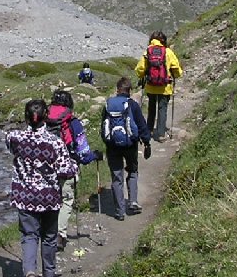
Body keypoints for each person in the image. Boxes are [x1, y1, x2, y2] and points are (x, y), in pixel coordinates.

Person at [5, 98, 78, 277]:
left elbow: (8, 142)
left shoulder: (14, 138)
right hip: (49, 197)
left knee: (29, 235)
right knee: (49, 236)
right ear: (46, 116)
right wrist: (75, 166)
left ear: (26, 117)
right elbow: (66, 170)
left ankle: (29, 272)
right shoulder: (54, 142)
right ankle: (49, 275)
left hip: (24, 196)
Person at [46, 88, 102, 251]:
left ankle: (45, 233)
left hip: (44, 170)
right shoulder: (73, 123)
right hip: (66, 169)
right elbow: (83, 154)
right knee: (66, 201)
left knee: (50, 202)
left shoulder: (43, 120)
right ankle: (59, 235)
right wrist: (95, 156)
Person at [100, 77, 151, 221]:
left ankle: (119, 211)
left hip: (112, 146)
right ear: (129, 90)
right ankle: (133, 201)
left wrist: (107, 142)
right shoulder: (132, 105)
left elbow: (103, 126)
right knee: (133, 170)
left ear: (117, 89)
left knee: (117, 177)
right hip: (130, 145)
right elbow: (141, 125)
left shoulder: (108, 105)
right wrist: (147, 143)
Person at [135, 30, 183, 141]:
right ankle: (161, 134)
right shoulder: (168, 52)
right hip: (165, 86)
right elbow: (176, 69)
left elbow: (140, 69)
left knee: (151, 108)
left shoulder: (147, 52)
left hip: (151, 86)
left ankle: (148, 130)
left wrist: (142, 75)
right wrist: (175, 74)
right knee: (163, 108)